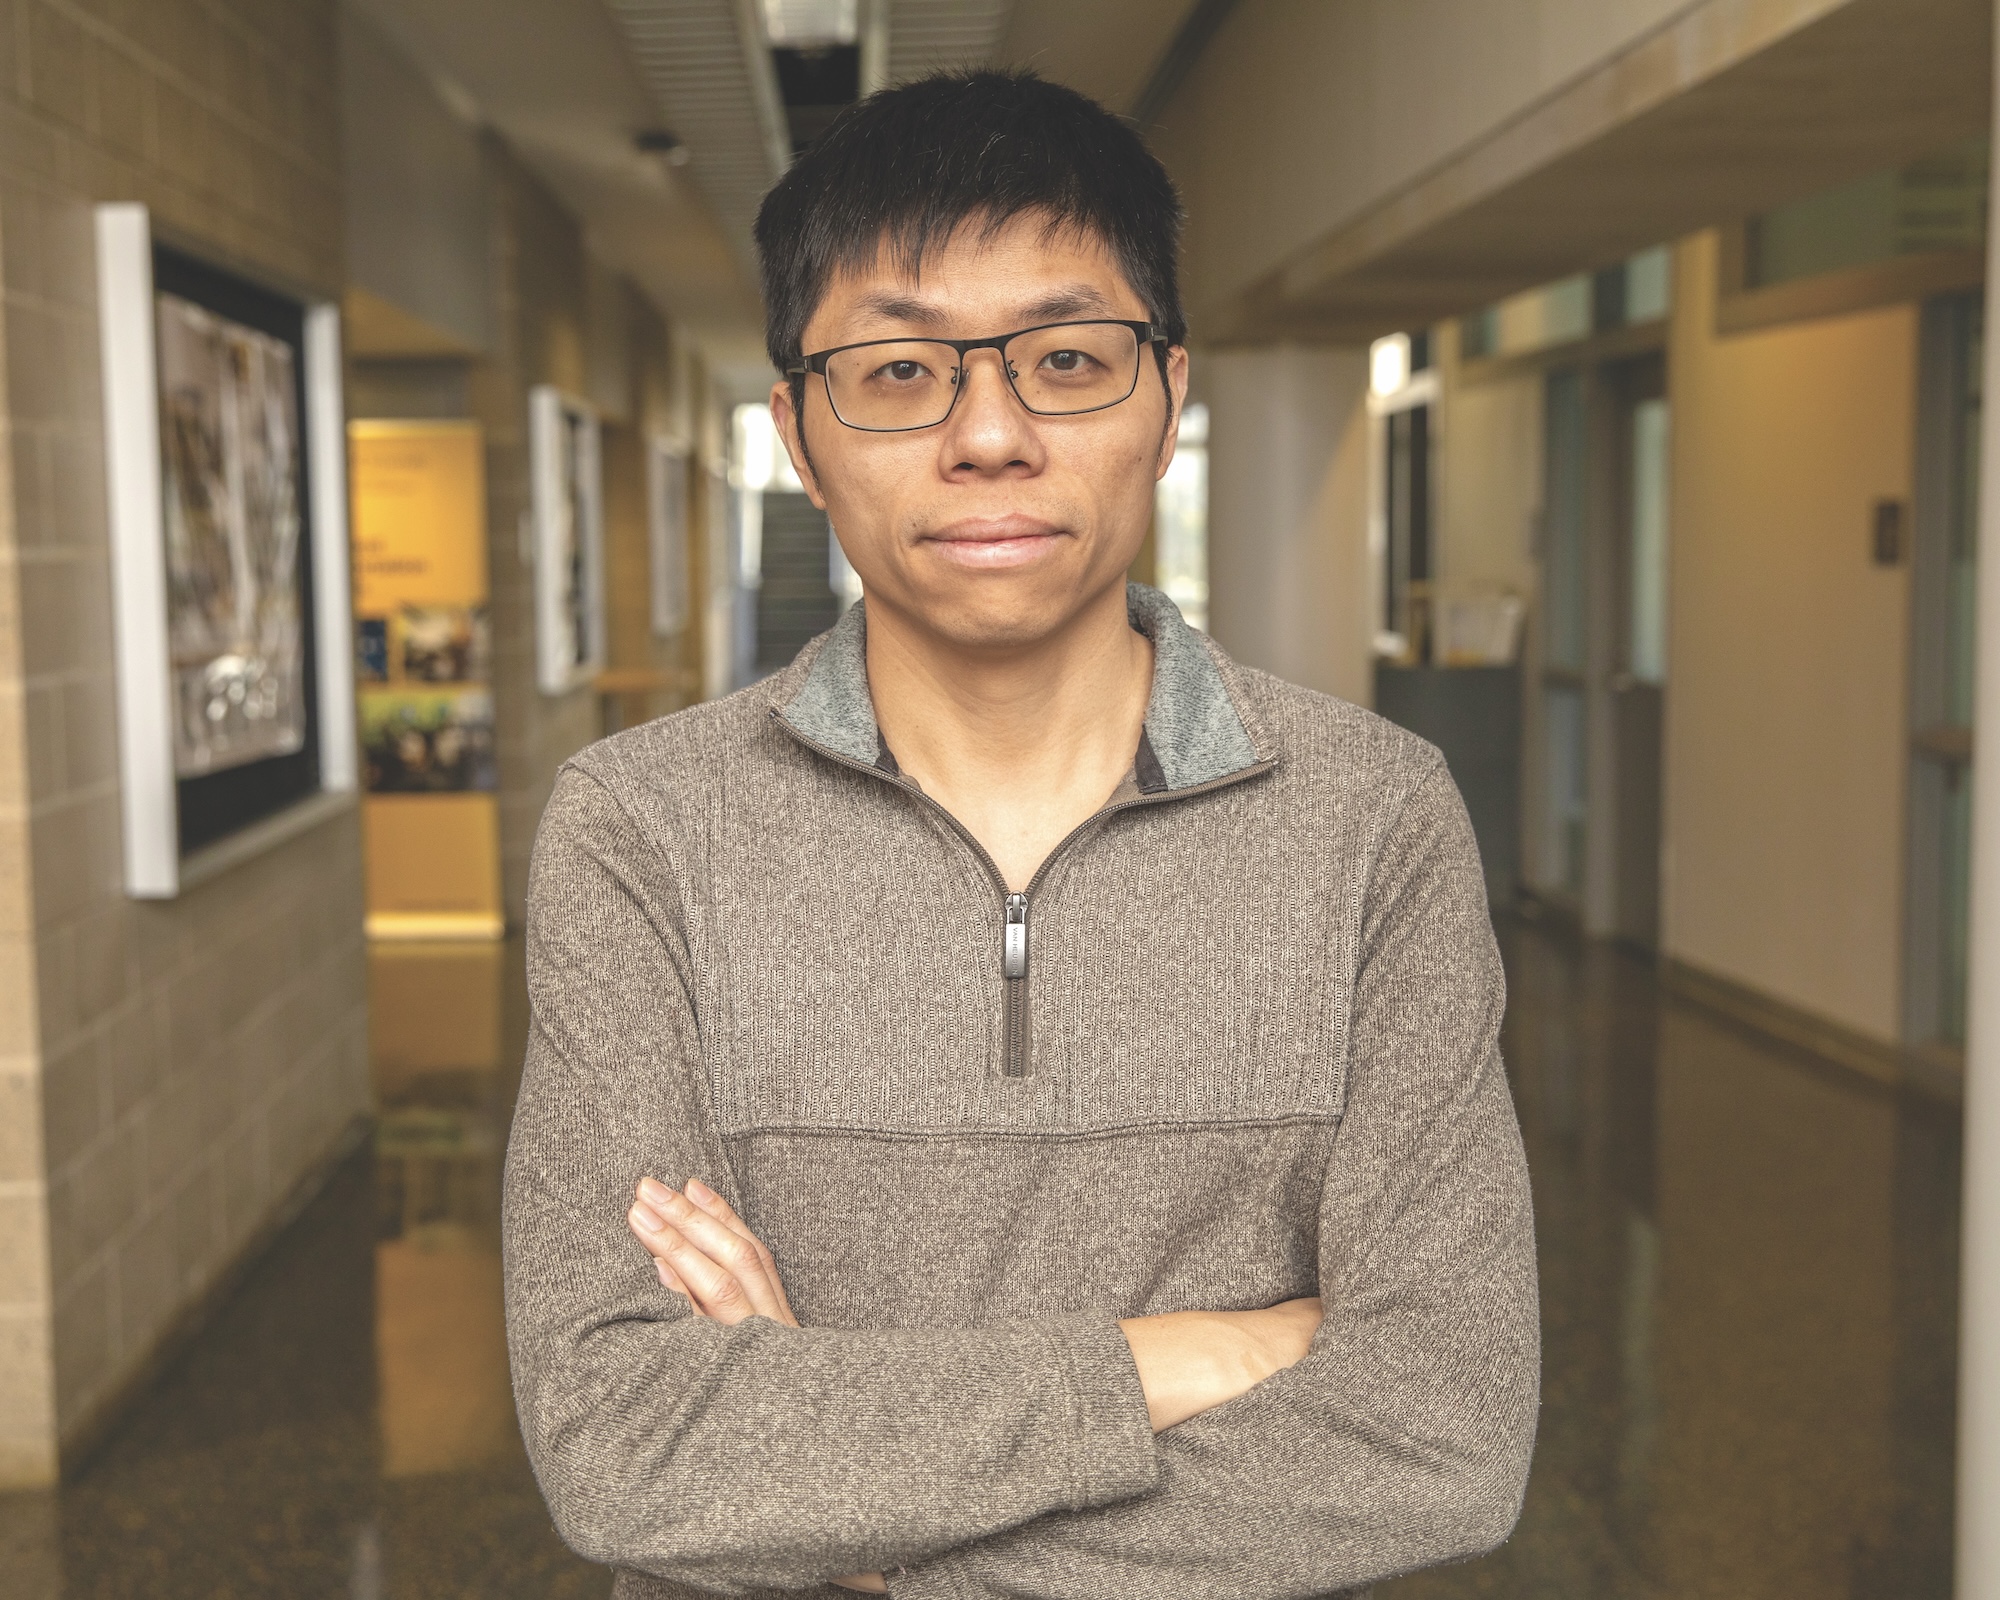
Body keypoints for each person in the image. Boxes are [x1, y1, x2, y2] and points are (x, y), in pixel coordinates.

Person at [502, 69, 1538, 1600]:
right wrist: (1181, 1357)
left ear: (1167, 399)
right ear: (798, 434)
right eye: (898, 372)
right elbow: (625, 1444)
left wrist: (842, 1531)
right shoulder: (642, 830)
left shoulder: (1373, 816)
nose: (990, 435)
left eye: (1066, 360)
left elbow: (1441, 1431)